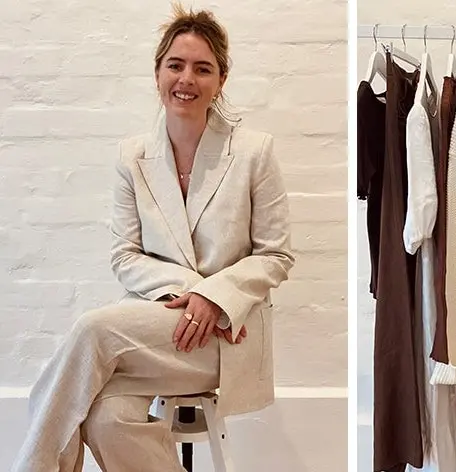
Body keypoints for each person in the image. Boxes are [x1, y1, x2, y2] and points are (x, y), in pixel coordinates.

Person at [12, 4, 294, 471]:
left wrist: (218, 298)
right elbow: (124, 256)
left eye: (202, 69)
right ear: (158, 72)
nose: (186, 79)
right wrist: (196, 290)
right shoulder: (132, 156)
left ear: (220, 80)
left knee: (92, 328)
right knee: (106, 418)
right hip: (154, 326)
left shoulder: (252, 153)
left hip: (225, 335)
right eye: (175, 65)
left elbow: (275, 255)